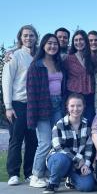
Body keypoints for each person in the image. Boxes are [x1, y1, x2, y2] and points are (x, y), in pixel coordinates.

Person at [27, 33, 65, 188]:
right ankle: (35, 175)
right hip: (43, 106)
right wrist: (32, 115)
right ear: (43, 45)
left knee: (57, 141)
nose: (53, 46)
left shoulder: (59, 63)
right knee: (44, 142)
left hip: (58, 105)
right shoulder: (36, 65)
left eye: (55, 43)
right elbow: (31, 92)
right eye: (49, 43)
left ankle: (52, 173)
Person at [2, 25, 38, 185]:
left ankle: (29, 173)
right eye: (25, 35)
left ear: (36, 37)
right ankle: (13, 174)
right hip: (18, 104)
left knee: (33, 141)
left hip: (34, 105)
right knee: (16, 139)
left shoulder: (38, 56)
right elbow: (7, 81)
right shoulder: (14, 56)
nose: (28, 38)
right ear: (20, 37)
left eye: (31, 35)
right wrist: (8, 106)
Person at [43, 93, 95, 193]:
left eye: (79, 105)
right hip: (58, 159)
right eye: (72, 106)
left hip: (78, 165)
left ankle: (71, 179)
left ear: (83, 107)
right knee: (62, 160)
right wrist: (79, 158)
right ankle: (52, 184)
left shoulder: (88, 125)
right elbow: (58, 147)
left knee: (87, 186)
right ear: (67, 107)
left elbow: (89, 148)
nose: (76, 109)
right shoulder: (59, 124)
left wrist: (86, 165)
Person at [63, 30, 95, 125]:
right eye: (76, 40)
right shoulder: (68, 58)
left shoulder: (92, 57)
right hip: (73, 95)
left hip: (89, 95)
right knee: (74, 123)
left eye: (81, 39)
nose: (78, 42)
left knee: (89, 122)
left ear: (86, 41)